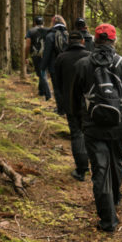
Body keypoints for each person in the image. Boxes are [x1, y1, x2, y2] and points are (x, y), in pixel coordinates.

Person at [71, 23, 122, 232]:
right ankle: (114, 199)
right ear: (114, 41)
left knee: (100, 169)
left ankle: (108, 220)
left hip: (92, 126)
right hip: (118, 125)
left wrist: (79, 124)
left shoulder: (83, 64)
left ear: (95, 40)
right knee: (116, 162)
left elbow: (75, 99)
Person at [54, 31, 90, 181]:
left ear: (68, 41)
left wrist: (60, 106)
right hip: (90, 103)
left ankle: (81, 170)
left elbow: (57, 85)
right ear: (82, 41)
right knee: (89, 134)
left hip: (70, 103)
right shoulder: (90, 56)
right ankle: (94, 165)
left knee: (76, 134)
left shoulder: (61, 58)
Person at [41, 15, 69, 115]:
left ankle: (60, 110)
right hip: (66, 66)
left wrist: (43, 67)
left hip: (54, 66)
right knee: (65, 88)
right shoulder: (66, 34)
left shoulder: (50, 36)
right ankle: (67, 108)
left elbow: (47, 53)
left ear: (53, 23)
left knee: (57, 88)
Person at [25, 16, 51, 100]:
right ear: (43, 23)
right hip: (47, 54)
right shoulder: (48, 30)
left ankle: (48, 94)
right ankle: (41, 91)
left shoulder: (30, 31)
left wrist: (26, 56)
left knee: (42, 73)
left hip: (36, 54)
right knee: (42, 72)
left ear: (35, 23)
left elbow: (28, 45)